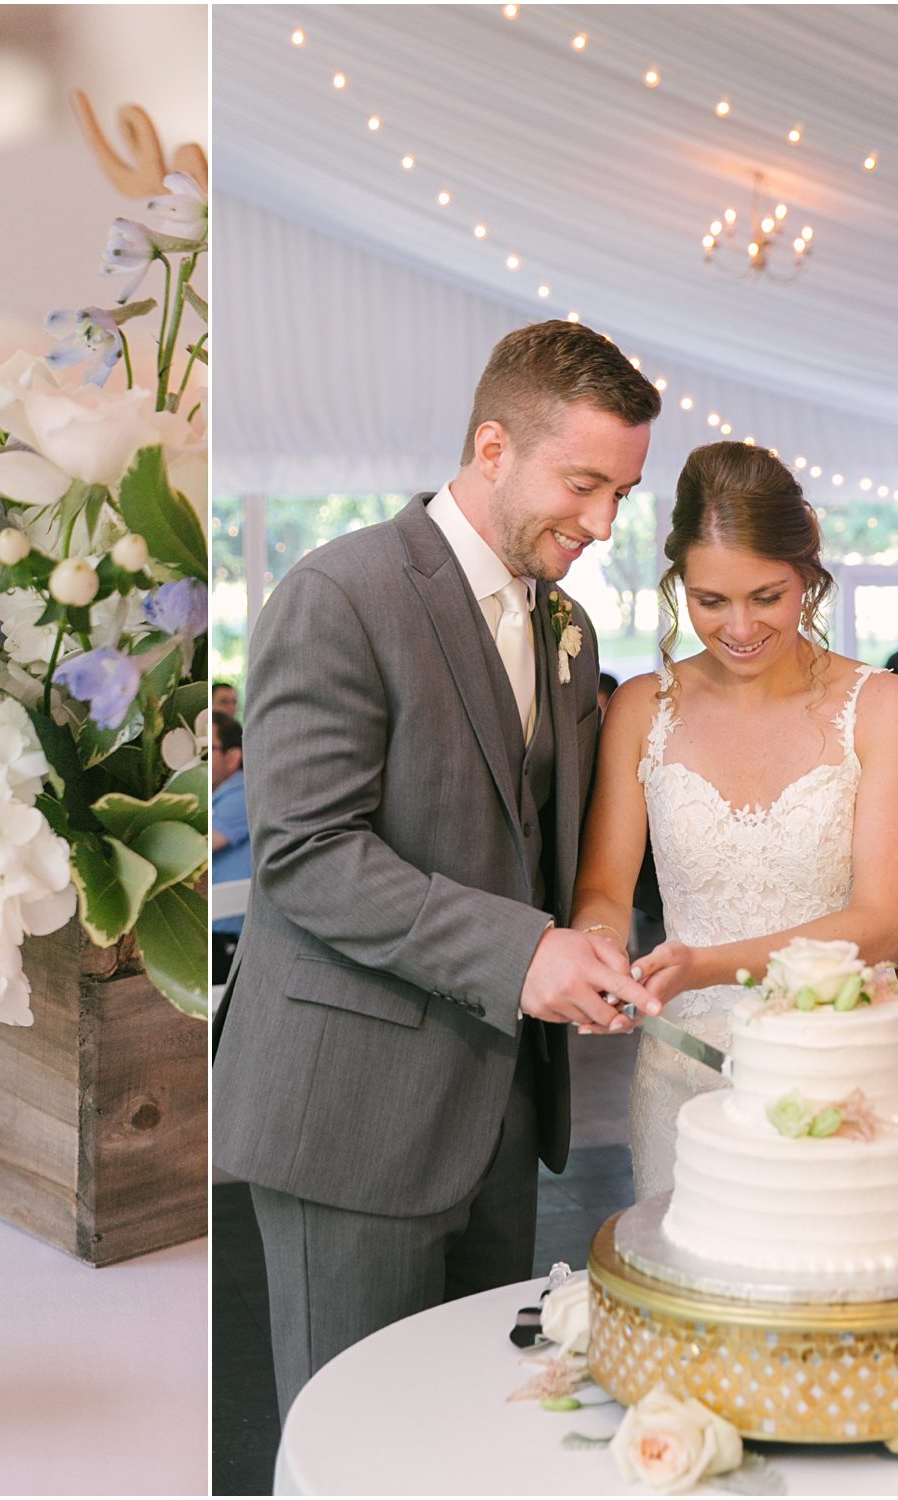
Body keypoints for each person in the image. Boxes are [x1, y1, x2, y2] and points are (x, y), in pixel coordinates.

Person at [212, 320, 665, 1419]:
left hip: (498, 1107)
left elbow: (525, 846)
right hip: (352, 1113)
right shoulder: (341, 594)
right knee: (354, 1442)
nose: (602, 523)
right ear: (492, 444)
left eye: (620, 494)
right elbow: (308, 857)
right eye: (583, 484)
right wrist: (523, 954)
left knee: (466, 1441)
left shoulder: (568, 628)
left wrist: (589, 940)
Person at [570, 442, 898, 1198]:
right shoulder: (643, 708)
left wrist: (703, 965)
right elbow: (603, 888)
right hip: (682, 1067)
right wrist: (601, 958)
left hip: (835, 1069)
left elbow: (883, 925)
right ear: (679, 586)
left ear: (808, 575)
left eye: (767, 597)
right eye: (710, 601)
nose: (739, 627)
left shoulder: (883, 707)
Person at [210, 711, 249, 985]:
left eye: (209, 748)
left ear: (233, 757)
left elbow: (199, 848)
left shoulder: (241, 793)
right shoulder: (219, 794)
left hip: (225, 938)